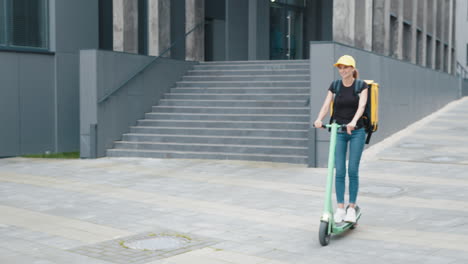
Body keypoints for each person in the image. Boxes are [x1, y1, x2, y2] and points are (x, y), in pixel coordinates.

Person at [313, 55, 368, 223]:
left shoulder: (361, 86)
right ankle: (340, 208)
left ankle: (351, 208)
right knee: (339, 171)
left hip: (357, 131)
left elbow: (362, 106)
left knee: (352, 169)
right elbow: (326, 104)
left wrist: (353, 122)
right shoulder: (335, 86)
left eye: (346, 67)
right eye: (340, 67)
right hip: (338, 131)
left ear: (352, 69)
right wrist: (319, 119)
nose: (342, 70)